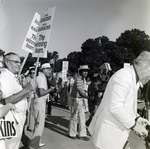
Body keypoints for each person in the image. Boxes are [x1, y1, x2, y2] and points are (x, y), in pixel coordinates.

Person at [88, 51, 150, 149]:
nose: (149, 78)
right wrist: (135, 125)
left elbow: (126, 105)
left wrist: (137, 118)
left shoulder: (131, 77)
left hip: (117, 135)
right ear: (144, 66)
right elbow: (116, 108)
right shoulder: (124, 77)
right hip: (109, 136)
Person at [0, 52, 36, 149]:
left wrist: (24, 89)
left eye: (19, 62)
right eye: (16, 62)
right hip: (10, 119)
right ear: (7, 62)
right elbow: (5, 101)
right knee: (10, 146)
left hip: (15, 118)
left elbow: (14, 95)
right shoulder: (6, 77)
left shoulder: (11, 76)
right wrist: (26, 89)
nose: (19, 64)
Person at [28, 63, 55, 149]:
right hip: (39, 102)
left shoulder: (41, 77)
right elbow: (41, 93)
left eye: (50, 69)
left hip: (38, 102)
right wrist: (51, 89)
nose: (50, 71)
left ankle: (36, 142)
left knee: (37, 124)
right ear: (43, 69)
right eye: (48, 69)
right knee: (39, 124)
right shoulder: (41, 78)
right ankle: (34, 145)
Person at [68, 65, 90, 141]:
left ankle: (82, 134)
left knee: (82, 117)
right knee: (74, 116)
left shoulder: (83, 79)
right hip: (75, 99)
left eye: (87, 71)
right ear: (80, 72)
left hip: (80, 99)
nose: (86, 72)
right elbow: (81, 91)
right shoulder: (78, 79)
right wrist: (88, 97)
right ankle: (72, 133)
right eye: (84, 71)